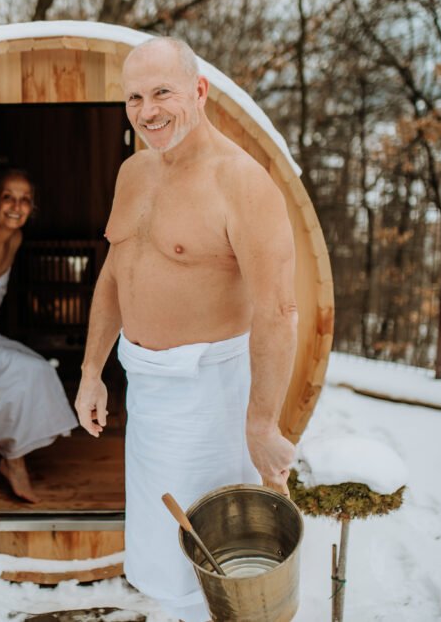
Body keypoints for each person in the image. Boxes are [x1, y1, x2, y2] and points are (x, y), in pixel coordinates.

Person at [74, 37, 298, 621]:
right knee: (163, 550)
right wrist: (92, 370)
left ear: (199, 91)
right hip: (147, 390)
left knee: (217, 559)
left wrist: (263, 422)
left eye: (163, 92)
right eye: (134, 98)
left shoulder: (241, 183)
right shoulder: (133, 172)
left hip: (212, 397)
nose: (148, 111)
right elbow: (114, 275)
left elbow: (278, 312)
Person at [0, 169, 79, 503]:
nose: (17, 206)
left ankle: (12, 456)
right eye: (8, 197)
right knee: (26, 373)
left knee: (39, 367)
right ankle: (14, 462)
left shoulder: (15, 239)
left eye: (25, 199)